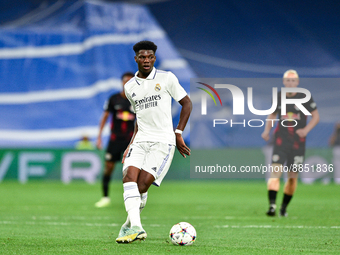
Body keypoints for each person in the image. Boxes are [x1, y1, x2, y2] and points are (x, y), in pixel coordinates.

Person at [115, 40, 192, 243]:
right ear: (136, 59)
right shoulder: (130, 86)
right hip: (140, 140)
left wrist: (178, 133)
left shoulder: (167, 78)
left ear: (154, 58)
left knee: (141, 187)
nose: (146, 60)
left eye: (150, 57)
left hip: (163, 142)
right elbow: (138, 119)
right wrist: (130, 144)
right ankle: (138, 227)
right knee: (128, 178)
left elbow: (187, 103)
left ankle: (127, 225)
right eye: (142, 57)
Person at [261, 70, 319, 217]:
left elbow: (316, 116)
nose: (290, 83)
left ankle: (283, 208)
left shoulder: (304, 97)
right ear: (284, 82)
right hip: (281, 140)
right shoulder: (279, 96)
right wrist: (267, 130)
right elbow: (272, 114)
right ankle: (272, 206)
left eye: (293, 81)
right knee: (275, 172)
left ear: (297, 83)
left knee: (292, 177)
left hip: (298, 143)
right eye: (288, 80)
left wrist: (306, 130)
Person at [95, 72, 136, 208]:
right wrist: (99, 137)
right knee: (108, 168)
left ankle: (132, 199)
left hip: (130, 141)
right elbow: (105, 117)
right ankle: (105, 197)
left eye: (131, 81)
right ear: (122, 83)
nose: (128, 84)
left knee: (131, 171)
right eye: (126, 81)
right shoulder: (113, 99)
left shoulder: (137, 100)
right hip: (114, 140)